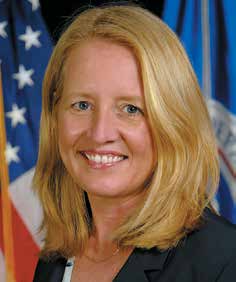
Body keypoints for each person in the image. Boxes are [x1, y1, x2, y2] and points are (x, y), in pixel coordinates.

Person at [33, 4, 236, 282]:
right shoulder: (56, 258)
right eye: (82, 105)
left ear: (173, 122)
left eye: (130, 109)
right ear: (54, 115)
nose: (100, 133)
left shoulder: (221, 263)